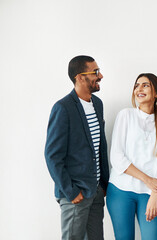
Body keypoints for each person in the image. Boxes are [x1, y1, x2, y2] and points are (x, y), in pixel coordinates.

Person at [45, 55, 109, 240]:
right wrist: (71, 192)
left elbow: (100, 147)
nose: (101, 75)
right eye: (95, 72)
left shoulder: (97, 104)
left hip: (96, 192)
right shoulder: (63, 108)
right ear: (80, 77)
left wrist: (103, 184)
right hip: (75, 195)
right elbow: (52, 156)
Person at [106, 73, 157, 240]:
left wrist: (155, 194)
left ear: (156, 93)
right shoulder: (126, 115)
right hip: (120, 190)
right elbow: (117, 157)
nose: (139, 89)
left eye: (145, 85)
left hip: (151, 193)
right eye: (136, 85)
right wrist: (148, 180)